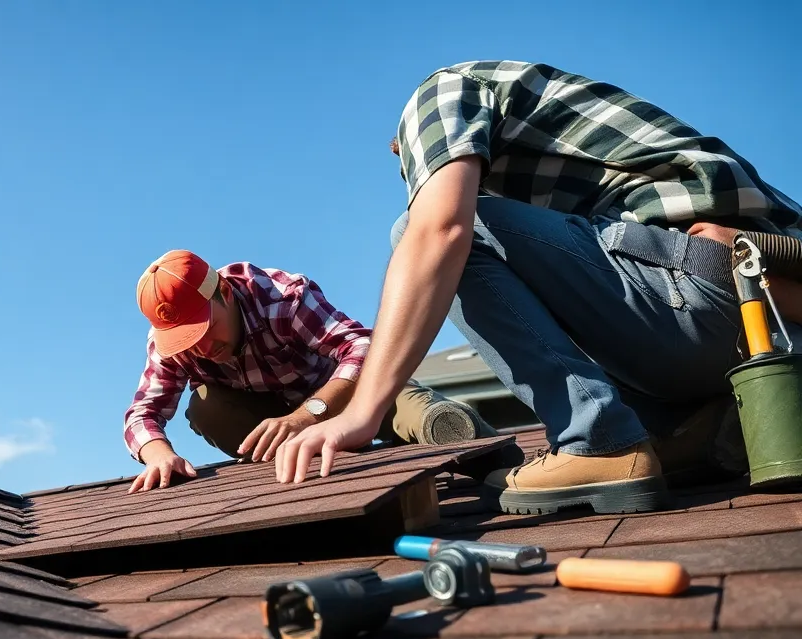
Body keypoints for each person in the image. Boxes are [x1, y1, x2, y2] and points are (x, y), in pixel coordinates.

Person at [274, 60, 802, 515]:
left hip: (709, 300)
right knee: (498, 253)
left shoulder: (438, 98)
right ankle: (690, 431)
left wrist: (362, 414)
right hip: (768, 351)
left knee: (429, 234)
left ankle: (597, 441)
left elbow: (441, 231)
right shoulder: (551, 172)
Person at [123, 249, 507, 493]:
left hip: (345, 396)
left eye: (205, 331)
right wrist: (158, 454)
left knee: (435, 421)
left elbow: (363, 349)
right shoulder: (171, 344)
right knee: (205, 406)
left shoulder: (281, 297)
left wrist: (307, 416)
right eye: (186, 340)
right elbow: (143, 413)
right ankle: (299, 465)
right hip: (273, 424)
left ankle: (501, 468)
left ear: (224, 292)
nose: (202, 348)